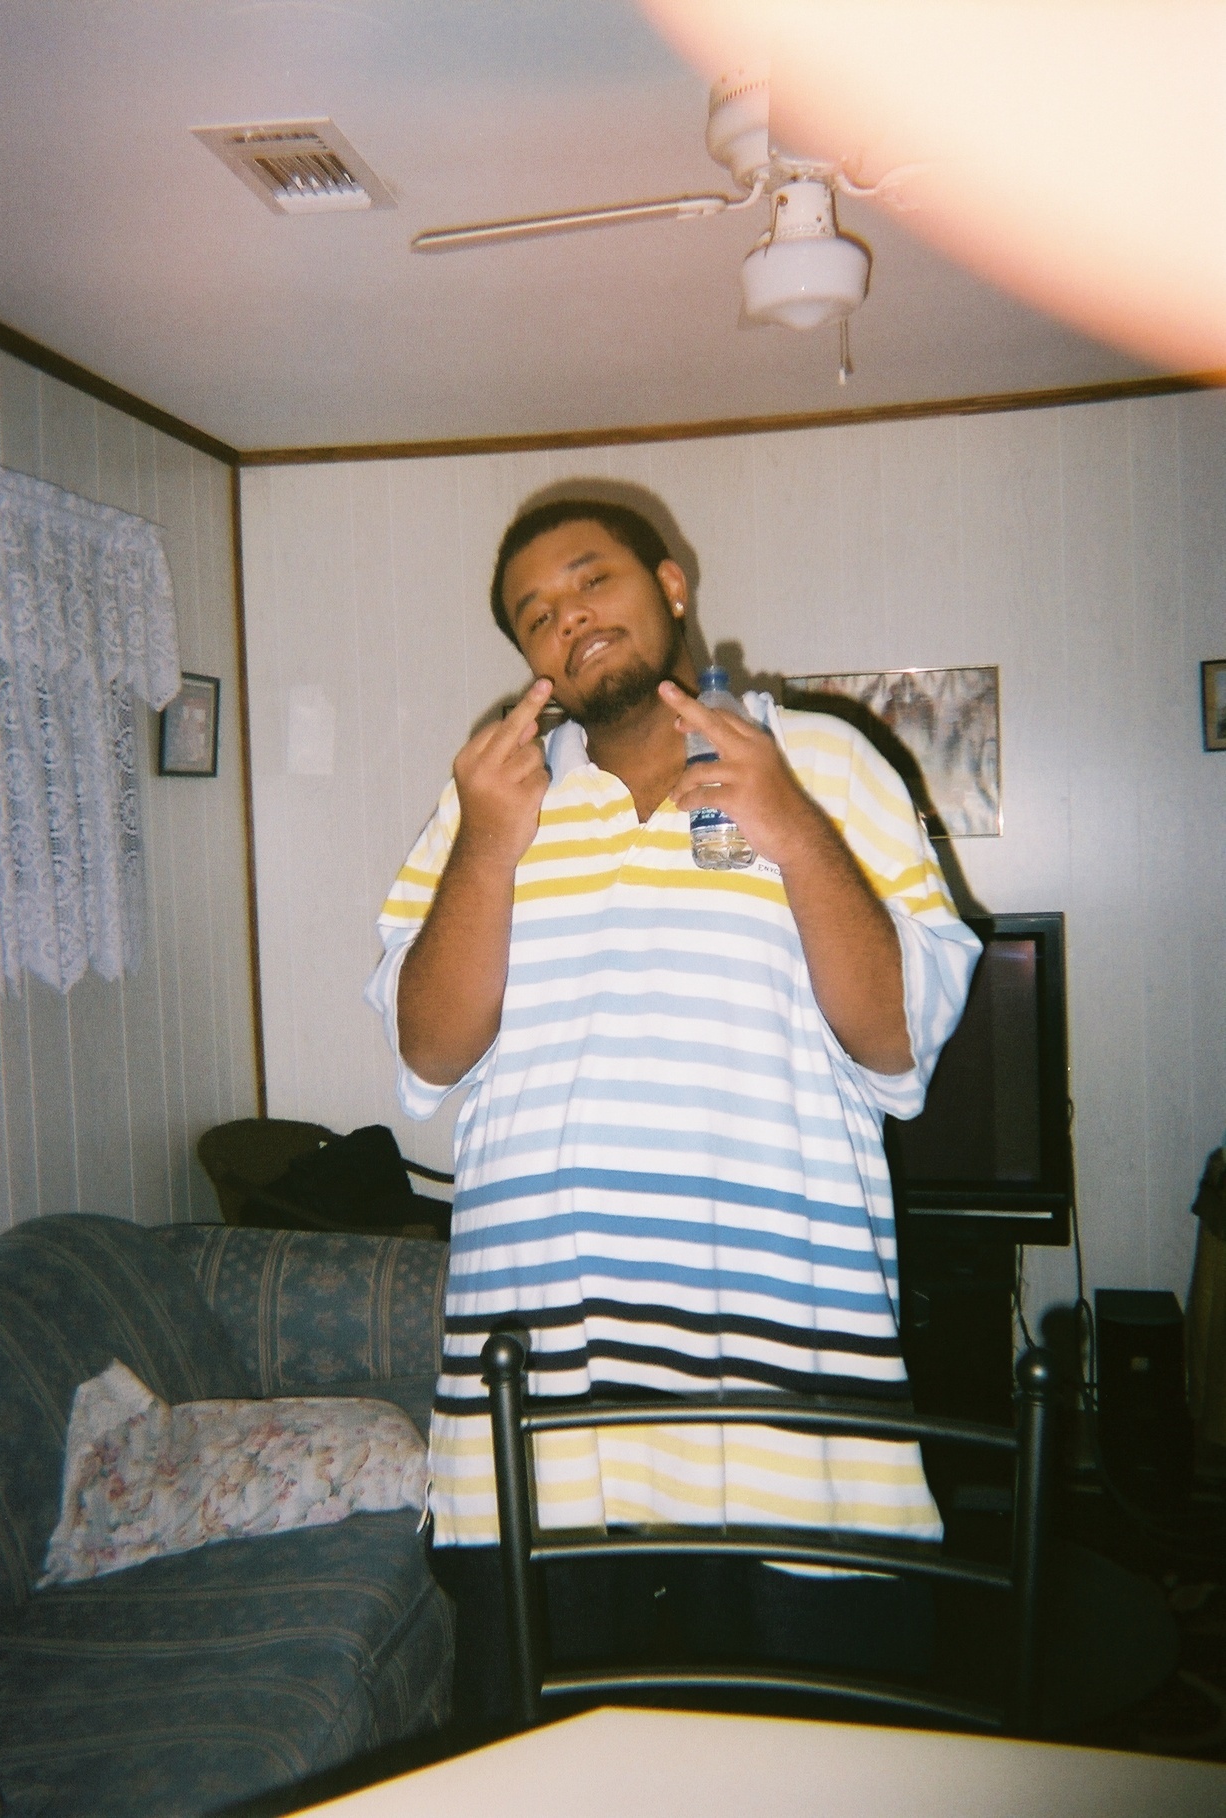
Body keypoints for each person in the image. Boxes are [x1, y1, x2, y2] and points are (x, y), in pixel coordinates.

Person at [366, 496, 981, 1728]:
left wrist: (788, 822)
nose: (567, 616)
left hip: (783, 1400)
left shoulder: (822, 758)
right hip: (536, 1415)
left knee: (806, 1772)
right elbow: (428, 1051)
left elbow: (897, 1040)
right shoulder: (490, 792)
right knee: (549, 1778)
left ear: (671, 583)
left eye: (590, 579)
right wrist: (486, 843)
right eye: (534, 614)